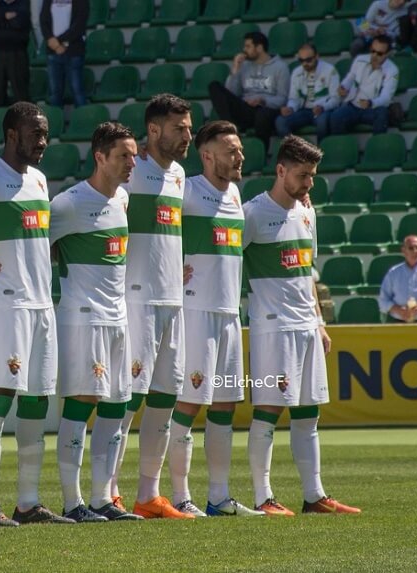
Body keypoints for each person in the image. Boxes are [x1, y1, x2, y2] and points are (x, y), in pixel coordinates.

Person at [0, 102, 74, 526]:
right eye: (34, 134)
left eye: (44, 133)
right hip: (6, 302)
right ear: (12, 134)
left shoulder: (40, 179)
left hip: (42, 303)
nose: (42, 141)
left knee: (37, 399)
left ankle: (27, 502)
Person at [243, 135, 361, 517]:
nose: (309, 183)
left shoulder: (308, 213)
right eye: (303, 175)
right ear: (281, 170)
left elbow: (309, 270)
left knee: (309, 413)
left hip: (307, 327)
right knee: (268, 411)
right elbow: (227, 262)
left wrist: (320, 321)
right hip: (272, 328)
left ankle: (314, 496)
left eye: (312, 176)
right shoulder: (252, 214)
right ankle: (263, 497)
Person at [49, 122, 143, 523]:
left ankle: (104, 498)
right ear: (100, 156)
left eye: (134, 156)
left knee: (118, 405)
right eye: (123, 155)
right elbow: (38, 252)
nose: (131, 163)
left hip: (118, 317)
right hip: (82, 317)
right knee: (81, 404)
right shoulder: (67, 204)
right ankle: (72, 502)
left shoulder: (122, 199)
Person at [172, 120, 265, 518]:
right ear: (207, 155)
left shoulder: (237, 196)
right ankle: (179, 496)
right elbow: (151, 231)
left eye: (240, 149)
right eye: (231, 151)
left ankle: (219, 497)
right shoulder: (188, 191)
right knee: (189, 403)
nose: (239, 156)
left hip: (229, 315)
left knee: (226, 403)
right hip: (195, 313)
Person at [111, 95, 193, 521]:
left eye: (189, 128)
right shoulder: (128, 173)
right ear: (154, 130)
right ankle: (109, 492)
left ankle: (149, 493)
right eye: (179, 128)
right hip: (136, 299)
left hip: (172, 302)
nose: (187, 136)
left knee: (164, 398)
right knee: (128, 399)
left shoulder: (180, 175)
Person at [208, 31, 290, 150]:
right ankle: (232, 129)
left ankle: (260, 151)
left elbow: (282, 98)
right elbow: (232, 93)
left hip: (266, 108)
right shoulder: (244, 66)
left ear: (259, 47)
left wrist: (263, 100)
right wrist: (235, 69)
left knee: (263, 115)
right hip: (246, 107)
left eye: (248, 46)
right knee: (214, 86)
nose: (244, 49)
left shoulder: (280, 67)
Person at [322, 35, 398, 137]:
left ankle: (376, 147)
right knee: (336, 116)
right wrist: (344, 87)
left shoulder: (392, 70)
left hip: (373, 108)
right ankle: (343, 148)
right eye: (373, 51)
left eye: (379, 53)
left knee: (382, 114)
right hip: (354, 105)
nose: (374, 55)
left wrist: (371, 103)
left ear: (387, 54)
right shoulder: (360, 59)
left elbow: (386, 97)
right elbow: (350, 78)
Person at [275, 44, 340, 139]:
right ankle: (294, 151)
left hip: (323, 110)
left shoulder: (330, 71)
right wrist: (290, 108)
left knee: (322, 122)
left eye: (308, 60)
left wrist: (323, 107)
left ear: (317, 56)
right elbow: (294, 98)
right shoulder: (297, 72)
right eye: (301, 60)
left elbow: (336, 98)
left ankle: (321, 151)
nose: (305, 63)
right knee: (281, 121)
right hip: (304, 110)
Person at [378, 235, 417, 323]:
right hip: (399, 322)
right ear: (403, 251)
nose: (415, 251)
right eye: (411, 248)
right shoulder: (393, 273)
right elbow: (383, 299)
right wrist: (398, 310)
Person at [40, 0, 89, 107]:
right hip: (53, 51)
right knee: (54, 93)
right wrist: (53, 42)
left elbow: (79, 25)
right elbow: (43, 21)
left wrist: (58, 41)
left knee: (77, 90)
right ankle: (56, 122)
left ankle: (83, 120)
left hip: (74, 51)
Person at [0, 0, 32, 107]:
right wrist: (6, 18)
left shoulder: (23, 5)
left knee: (21, 94)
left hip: (17, 53)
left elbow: (19, 22)